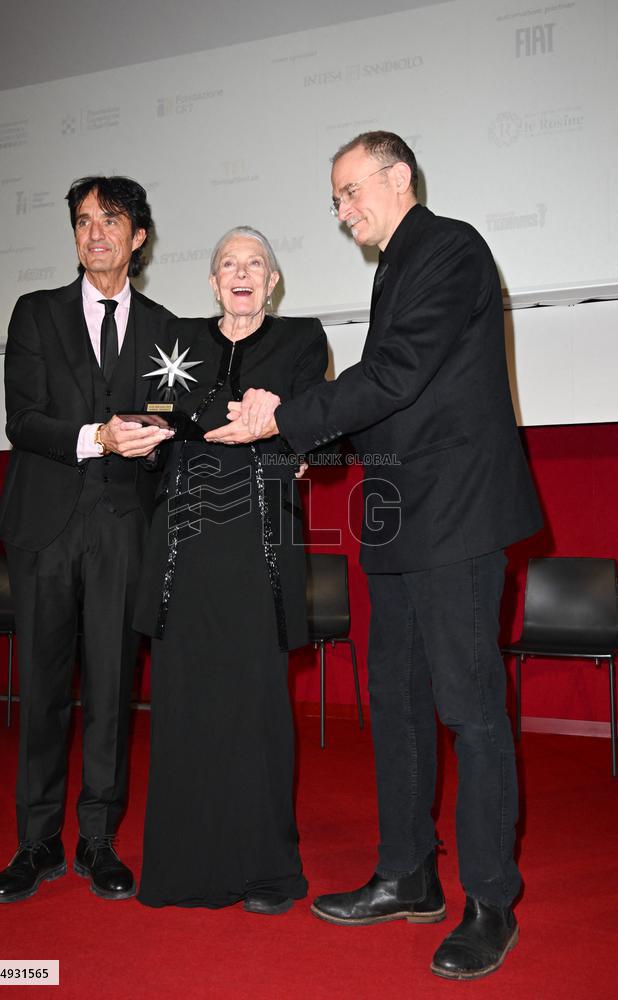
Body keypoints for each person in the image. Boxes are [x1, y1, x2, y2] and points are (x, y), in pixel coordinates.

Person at [205, 132, 542, 976]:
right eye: (336, 200)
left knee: (469, 713)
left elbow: (395, 374)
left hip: (457, 523)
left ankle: (491, 899)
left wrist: (284, 416)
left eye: (353, 191)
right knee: (394, 704)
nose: (344, 211)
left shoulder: (449, 246)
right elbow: (395, 398)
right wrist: (309, 438)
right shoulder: (397, 266)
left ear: (401, 179)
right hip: (401, 521)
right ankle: (408, 874)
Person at [0, 176, 176, 904]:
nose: (95, 233)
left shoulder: (165, 326)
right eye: (83, 222)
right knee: (42, 693)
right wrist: (97, 436)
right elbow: (23, 420)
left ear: (139, 237)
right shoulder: (36, 314)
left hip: (122, 530)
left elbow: (170, 429)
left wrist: (157, 442)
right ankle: (36, 843)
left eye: (111, 221)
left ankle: (98, 839)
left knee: (110, 690)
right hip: (44, 527)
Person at [133, 226, 328, 915]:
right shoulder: (175, 339)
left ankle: (264, 871)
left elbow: (314, 424)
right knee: (184, 705)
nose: (241, 274)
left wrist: (279, 421)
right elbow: (151, 416)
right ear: (213, 282)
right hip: (183, 547)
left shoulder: (303, 339)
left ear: (273, 282)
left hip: (260, 547)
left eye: (255, 264)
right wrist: (247, 417)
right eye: (227, 264)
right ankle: (185, 867)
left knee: (258, 710)